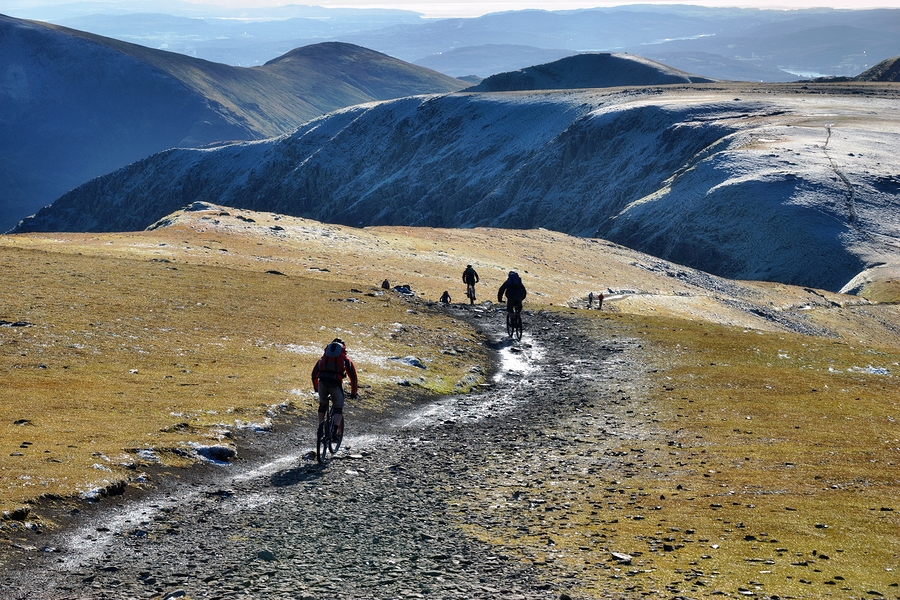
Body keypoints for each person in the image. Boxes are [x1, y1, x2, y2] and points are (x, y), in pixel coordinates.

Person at [311, 338, 358, 437]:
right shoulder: (345, 360)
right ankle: (334, 432)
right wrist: (353, 393)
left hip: (322, 384)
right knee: (338, 408)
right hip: (335, 384)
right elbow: (353, 378)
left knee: (322, 405)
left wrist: (316, 388)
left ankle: (320, 427)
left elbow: (314, 374)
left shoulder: (323, 359)